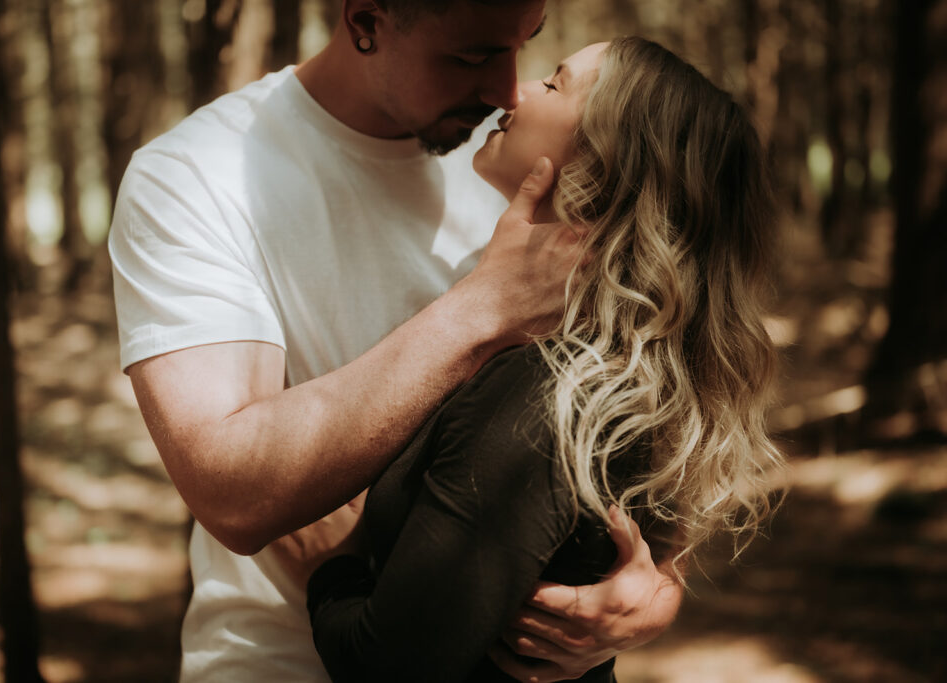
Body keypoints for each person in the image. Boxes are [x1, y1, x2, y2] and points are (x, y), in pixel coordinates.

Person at [109, 2, 682, 681]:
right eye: (470, 58)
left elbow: (618, 428)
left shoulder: (518, 147)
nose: (505, 89)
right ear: (366, 22)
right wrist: (480, 310)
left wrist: (655, 593)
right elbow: (230, 486)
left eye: (522, 47)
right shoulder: (197, 177)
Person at [305, 37, 784, 682]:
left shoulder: (545, 399)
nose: (517, 92)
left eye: (554, 84)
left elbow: (386, 666)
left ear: (606, 161)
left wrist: (329, 566)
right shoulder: (617, 373)